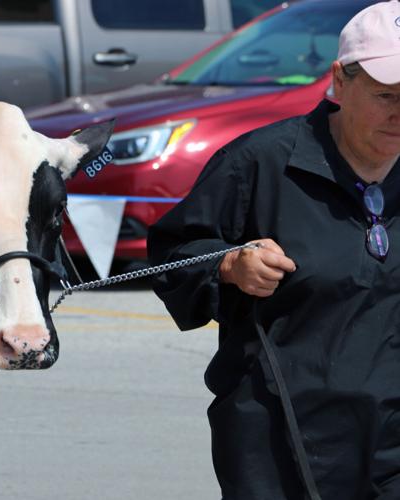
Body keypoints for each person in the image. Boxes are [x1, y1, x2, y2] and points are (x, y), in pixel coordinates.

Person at [146, 1, 400, 498]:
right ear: (340, 83)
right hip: (280, 434)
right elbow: (171, 255)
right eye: (386, 94)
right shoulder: (258, 163)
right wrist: (227, 264)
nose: (399, 113)